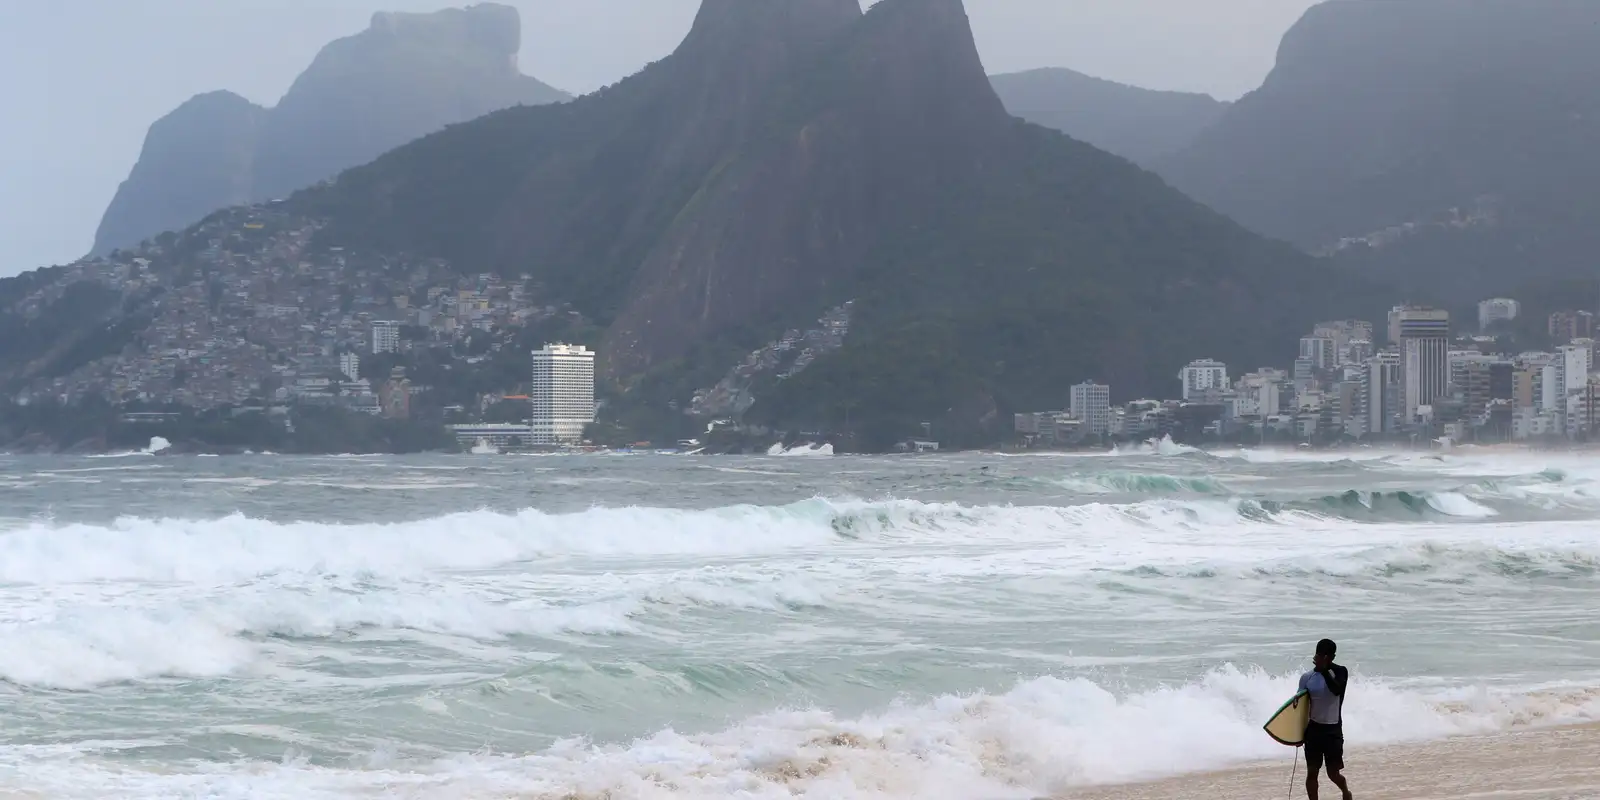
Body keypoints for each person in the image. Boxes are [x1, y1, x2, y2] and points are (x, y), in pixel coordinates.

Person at [1299, 638, 1353, 800]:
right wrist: (1297, 734)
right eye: (1319, 654)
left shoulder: (1341, 672)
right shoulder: (1306, 678)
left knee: (1333, 774)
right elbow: (1300, 707)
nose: (1320, 659)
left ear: (1332, 657)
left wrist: (1324, 671)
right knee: (1312, 773)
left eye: (1325, 656)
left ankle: (1345, 791)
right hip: (1313, 730)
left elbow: (1336, 690)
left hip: (1333, 730)